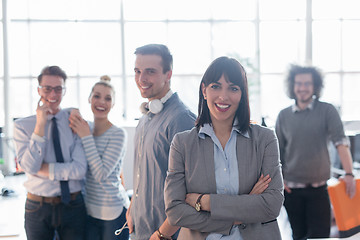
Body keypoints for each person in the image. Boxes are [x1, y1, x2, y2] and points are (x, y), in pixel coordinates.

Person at [164, 56, 284, 240]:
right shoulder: (182, 143)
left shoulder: (265, 139)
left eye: (233, 88)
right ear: (204, 90)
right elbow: (175, 212)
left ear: (242, 94)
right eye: (215, 86)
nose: (223, 96)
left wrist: (204, 202)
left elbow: (272, 205)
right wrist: (243, 208)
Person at [275, 64, 357, 240]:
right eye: (299, 83)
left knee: (320, 236)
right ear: (292, 85)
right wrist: (279, 179)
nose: (302, 88)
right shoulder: (283, 116)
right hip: (291, 191)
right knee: (298, 235)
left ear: (315, 86)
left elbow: (341, 143)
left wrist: (349, 173)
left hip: (319, 189)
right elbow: (277, 153)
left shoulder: (327, 110)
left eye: (307, 83)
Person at [126, 44, 196, 240]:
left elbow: (192, 190)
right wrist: (132, 208)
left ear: (168, 74)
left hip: (164, 235)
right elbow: (143, 175)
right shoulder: (145, 117)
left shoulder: (182, 119)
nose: (141, 79)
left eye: (150, 72)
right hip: (140, 230)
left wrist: (161, 234)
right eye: (137, 71)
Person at [13, 66, 87, 240]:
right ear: (39, 90)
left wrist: (43, 170)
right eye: (47, 88)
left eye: (58, 88)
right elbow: (29, 166)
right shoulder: (23, 126)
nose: (53, 94)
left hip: (73, 205)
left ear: (64, 90)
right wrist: (40, 126)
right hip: (37, 206)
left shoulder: (74, 121)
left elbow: (79, 170)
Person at [69, 76, 130, 240]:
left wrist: (85, 137)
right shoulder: (85, 128)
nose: (101, 102)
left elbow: (101, 174)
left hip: (113, 212)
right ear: (89, 99)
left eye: (108, 98)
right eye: (96, 96)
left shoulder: (118, 134)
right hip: (88, 210)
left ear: (113, 104)